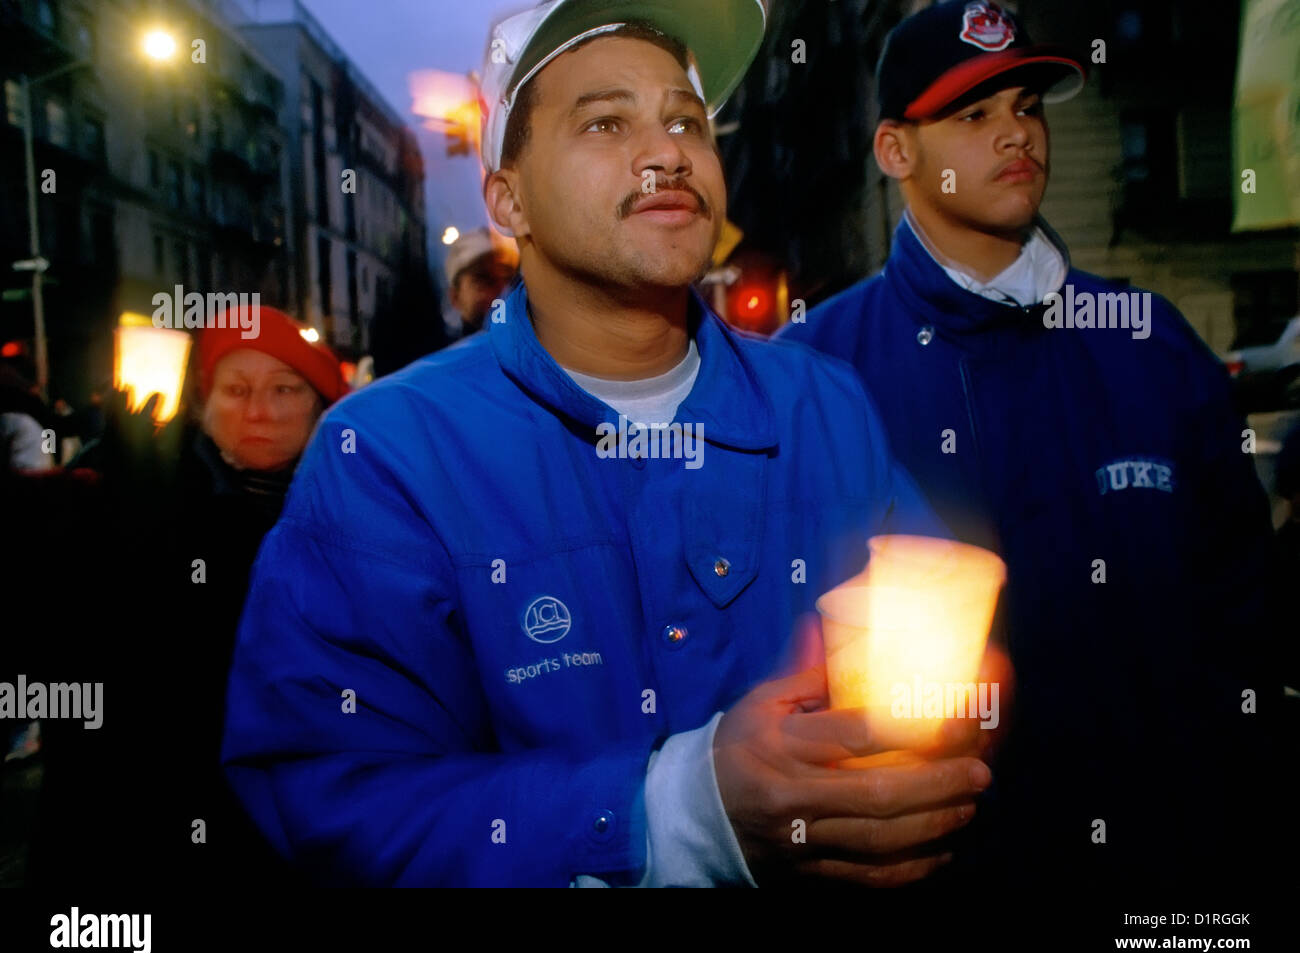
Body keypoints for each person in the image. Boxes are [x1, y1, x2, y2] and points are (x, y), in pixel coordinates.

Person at [220, 0, 995, 889]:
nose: (666, 151)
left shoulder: (825, 403)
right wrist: (680, 810)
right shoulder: (387, 455)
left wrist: (955, 698)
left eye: (685, 121)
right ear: (508, 198)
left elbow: (947, 613)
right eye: (605, 121)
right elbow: (332, 796)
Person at [780, 0, 1287, 896]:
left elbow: (1244, 619)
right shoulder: (814, 374)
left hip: (1164, 874)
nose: (1016, 135)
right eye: (973, 116)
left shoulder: (1150, 342)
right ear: (896, 152)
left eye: (1027, 106)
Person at [27, 304, 347, 889]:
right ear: (202, 404)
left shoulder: (359, 506)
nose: (259, 411)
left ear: (319, 404)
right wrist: (113, 513)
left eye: (285, 388)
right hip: (140, 833)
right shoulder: (130, 481)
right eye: (236, 389)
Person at [442, 227, 519, 343]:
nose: (501, 290)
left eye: (508, 278)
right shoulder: (448, 358)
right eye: (483, 279)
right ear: (455, 298)